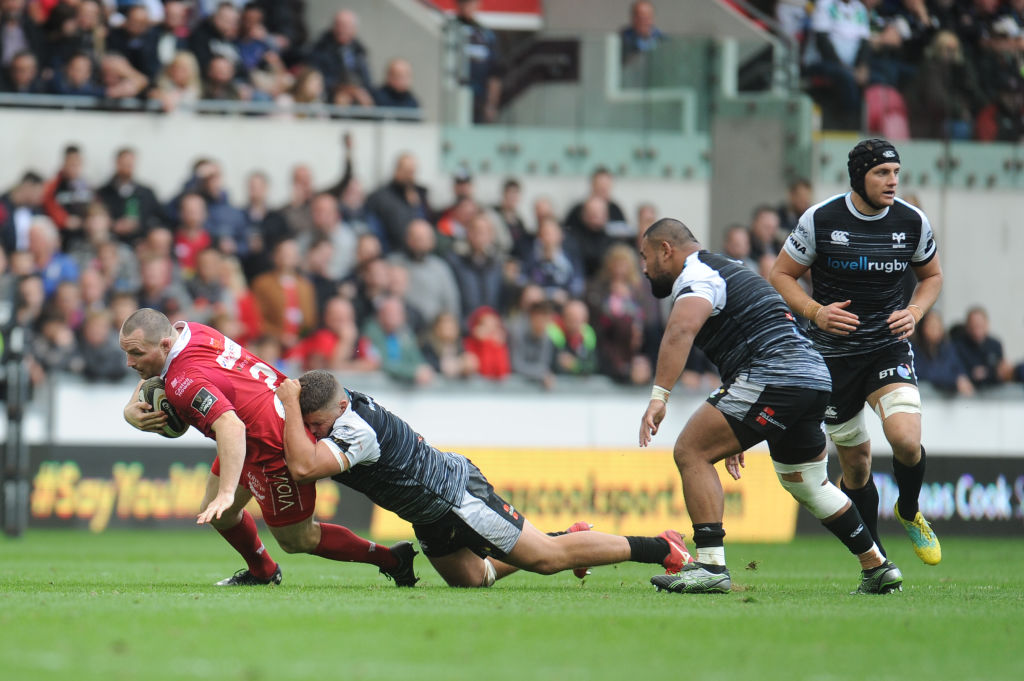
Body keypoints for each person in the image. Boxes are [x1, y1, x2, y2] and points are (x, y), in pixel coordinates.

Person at [638, 218, 902, 595]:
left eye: (646, 257)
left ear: (667, 249)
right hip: (811, 377)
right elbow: (754, 338)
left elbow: (681, 330)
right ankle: (877, 566)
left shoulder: (696, 274)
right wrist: (736, 430)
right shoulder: (728, 269)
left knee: (691, 451)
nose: (644, 269)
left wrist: (659, 396)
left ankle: (710, 567)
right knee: (809, 483)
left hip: (776, 375)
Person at [275, 370, 693, 588]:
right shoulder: (341, 405)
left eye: (316, 424)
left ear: (341, 405)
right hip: (429, 513)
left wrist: (290, 404)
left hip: (456, 499)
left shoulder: (356, 428)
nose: (312, 434)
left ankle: (660, 548)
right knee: (474, 579)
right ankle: (568, 535)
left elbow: (304, 467)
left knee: (547, 560)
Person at [119, 308, 418, 587]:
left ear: (166, 344)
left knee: (297, 540)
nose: (130, 362)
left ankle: (392, 559)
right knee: (219, 513)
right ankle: (263, 571)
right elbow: (162, 371)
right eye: (127, 353)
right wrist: (130, 408)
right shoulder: (194, 331)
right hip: (254, 433)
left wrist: (226, 492)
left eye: (136, 353)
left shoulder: (184, 382)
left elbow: (230, 426)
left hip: (272, 447)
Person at [769, 138, 943, 568]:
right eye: (882, 173)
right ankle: (877, 562)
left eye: (896, 173)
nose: (892, 182)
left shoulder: (912, 221)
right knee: (858, 466)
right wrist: (814, 311)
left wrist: (916, 311)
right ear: (858, 177)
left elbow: (933, 275)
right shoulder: (820, 219)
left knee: (905, 439)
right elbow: (781, 273)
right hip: (831, 359)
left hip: (887, 347)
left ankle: (908, 508)